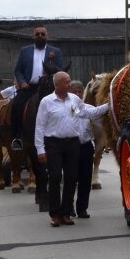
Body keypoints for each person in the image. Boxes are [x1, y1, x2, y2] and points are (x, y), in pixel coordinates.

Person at [35, 71, 108, 227]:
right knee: (54, 177)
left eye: (69, 82)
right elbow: (40, 126)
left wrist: (109, 105)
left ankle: (66, 213)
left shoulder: (74, 100)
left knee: (71, 178)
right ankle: (55, 214)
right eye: (66, 82)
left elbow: (88, 112)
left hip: (73, 144)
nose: (69, 84)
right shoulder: (46, 102)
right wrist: (40, 149)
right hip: (53, 144)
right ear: (57, 85)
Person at [12, 25, 64, 150]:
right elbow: (18, 70)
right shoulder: (25, 50)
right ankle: (17, 137)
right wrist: (22, 82)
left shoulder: (55, 52)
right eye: (37, 34)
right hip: (29, 88)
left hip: (49, 89)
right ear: (33, 36)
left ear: (47, 36)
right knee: (16, 105)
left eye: (42, 34)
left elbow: (60, 70)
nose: (40, 36)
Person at [69, 80, 110, 218]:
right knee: (71, 178)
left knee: (85, 179)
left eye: (79, 92)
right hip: (71, 146)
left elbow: (99, 123)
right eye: (74, 92)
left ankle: (82, 208)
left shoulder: (88, 107)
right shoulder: (65, 106)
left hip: (86, 145)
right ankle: (69, 207)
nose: (77, 94)